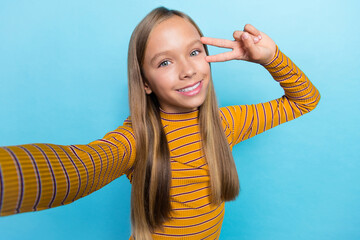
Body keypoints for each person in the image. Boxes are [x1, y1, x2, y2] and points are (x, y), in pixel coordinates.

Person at [0, 6, 320, 240]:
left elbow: (305, 100)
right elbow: (80, 166)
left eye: (194, 52)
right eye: (165, 61)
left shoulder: (226, 123)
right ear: (145, 83)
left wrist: (270, 57)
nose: (187, 70)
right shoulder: (137, 139)